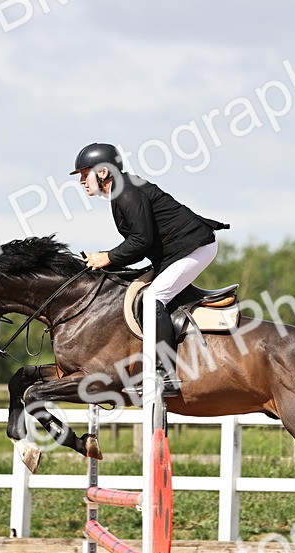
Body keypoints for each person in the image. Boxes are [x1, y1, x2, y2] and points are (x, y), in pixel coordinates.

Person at [73, 142, 228, 396]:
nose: (81, 180)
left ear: (102, 172)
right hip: (175, 252)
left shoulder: (126, 191)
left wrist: (108, 257)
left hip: (195, 247)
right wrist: (107, 262)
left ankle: (164, 374)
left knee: (154, 297)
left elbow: (141, 241)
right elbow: (141, 243)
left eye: (84, 173)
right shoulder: (119, 191)